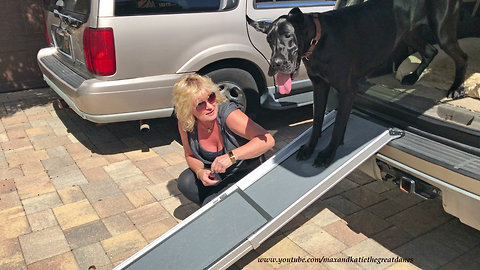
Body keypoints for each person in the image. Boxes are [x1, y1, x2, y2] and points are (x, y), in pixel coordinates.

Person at [173, 74, 275, 206]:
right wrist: (200, 172)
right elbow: (190, 155)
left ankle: (224, 206)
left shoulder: (228, 114)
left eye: (211, 97)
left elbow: (267, 139)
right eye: (200, 104)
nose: (210, 106)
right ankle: (224, 206)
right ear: (187, 109)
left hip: (245, 170)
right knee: (186, 182)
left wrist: (231, 157)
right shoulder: (186, 124)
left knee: (212, 204)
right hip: (218, 174)